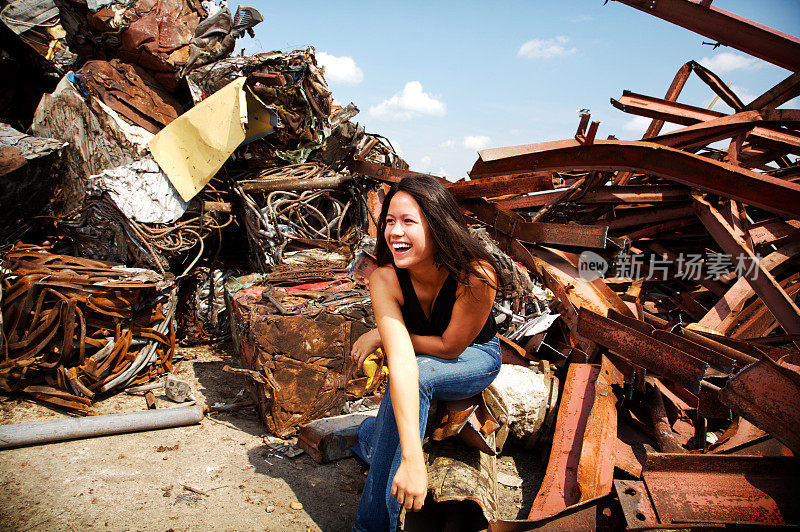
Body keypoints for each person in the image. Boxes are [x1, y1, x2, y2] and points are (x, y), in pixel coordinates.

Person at [349, 175, 503, 531]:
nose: (395, 232)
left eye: (408, 222)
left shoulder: (476, 274)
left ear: (437, 225)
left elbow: (451, 346)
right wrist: (411, 456)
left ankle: (371, 512)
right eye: (389, 221)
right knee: (411, 374)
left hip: (476, 355)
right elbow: (401, 361)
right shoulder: (385, 279)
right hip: (423, 359)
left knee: (419, 374)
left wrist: (383, 335)